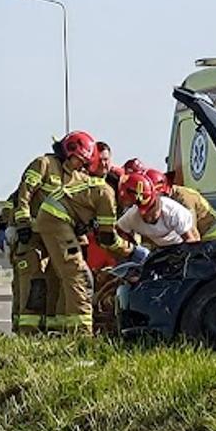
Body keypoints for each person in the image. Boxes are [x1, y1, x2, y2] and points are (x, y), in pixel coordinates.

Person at [30, 140, 135, 335]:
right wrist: (131, 250)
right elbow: (107, 239)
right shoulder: (107, 196)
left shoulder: (99, 189)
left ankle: (62, 329)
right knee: (78, 275)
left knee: (68, 278)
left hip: (55, 219)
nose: (130, 206)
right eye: (131, 200)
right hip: (57, 220)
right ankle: (82, 335)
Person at [4, 132, 90, 333]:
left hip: (56, 238)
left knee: (55, 281)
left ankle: (52, 332)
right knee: (32, 281)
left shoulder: (77, 177)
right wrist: (22, 224)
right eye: (79, 159)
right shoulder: (43, 164)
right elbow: (24, 195)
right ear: (69, 152)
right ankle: (27, 334)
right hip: (31, 235)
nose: (81, 165)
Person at [116, 171, 198, 248]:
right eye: (145, 213)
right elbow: (119, 230)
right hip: (160, 248)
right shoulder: (132, 217)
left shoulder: (174, 212)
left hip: (181, 244)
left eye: (152, 208)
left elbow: (190, 241)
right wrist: (131, 247)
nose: (149, 216)